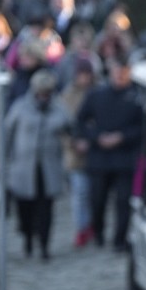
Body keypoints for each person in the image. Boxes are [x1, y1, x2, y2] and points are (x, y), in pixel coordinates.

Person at [75, 55, 143, 251]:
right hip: (100, 158)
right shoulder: (97, 95)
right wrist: (96, 137)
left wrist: (122, 137)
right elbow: (80, 121)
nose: (120, 76)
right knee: (97, 200)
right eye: (117, 72)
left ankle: (120, 239)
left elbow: (143, 128)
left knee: (123, 202)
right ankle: (98, 234)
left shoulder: (137, 97)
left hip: (124, 159)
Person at [4, 68, 71, 260]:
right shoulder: (20, 107)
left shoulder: (58, 108)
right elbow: (7, 134)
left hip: (48, 168)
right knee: (25, 209)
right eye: (41, 93)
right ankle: (27, 240)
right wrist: (2, 161)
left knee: (45, 210)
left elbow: (70, 126)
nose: (44, 97)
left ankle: (44, 245)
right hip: (24, 168)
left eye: (47, 93)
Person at [59, 57, 97, 247]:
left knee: (94, 193)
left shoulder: (98, 91)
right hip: (75, 153)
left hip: (96, 151)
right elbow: (62, 125)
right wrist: (73, 144)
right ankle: (82, 228)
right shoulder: (68, 95)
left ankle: (92, 225)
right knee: (80, 193)